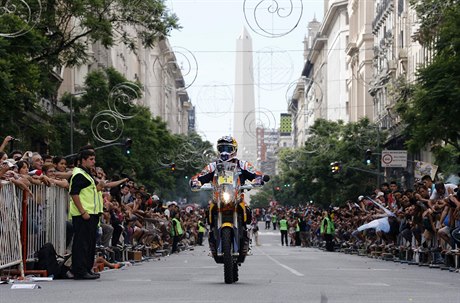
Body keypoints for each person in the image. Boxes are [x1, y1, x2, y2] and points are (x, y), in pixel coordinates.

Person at [69, 149, 101, 280]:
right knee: (81, 244)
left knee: (90, 243)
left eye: (94, 159)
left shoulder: (87, 174)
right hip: (83, 215)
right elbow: (74, 193)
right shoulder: (79, 174)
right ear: (83, 160)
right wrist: (82, 211)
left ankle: (87, 268)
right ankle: (80, 271)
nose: (93, 162)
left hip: (91, 214)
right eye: (91, 159)